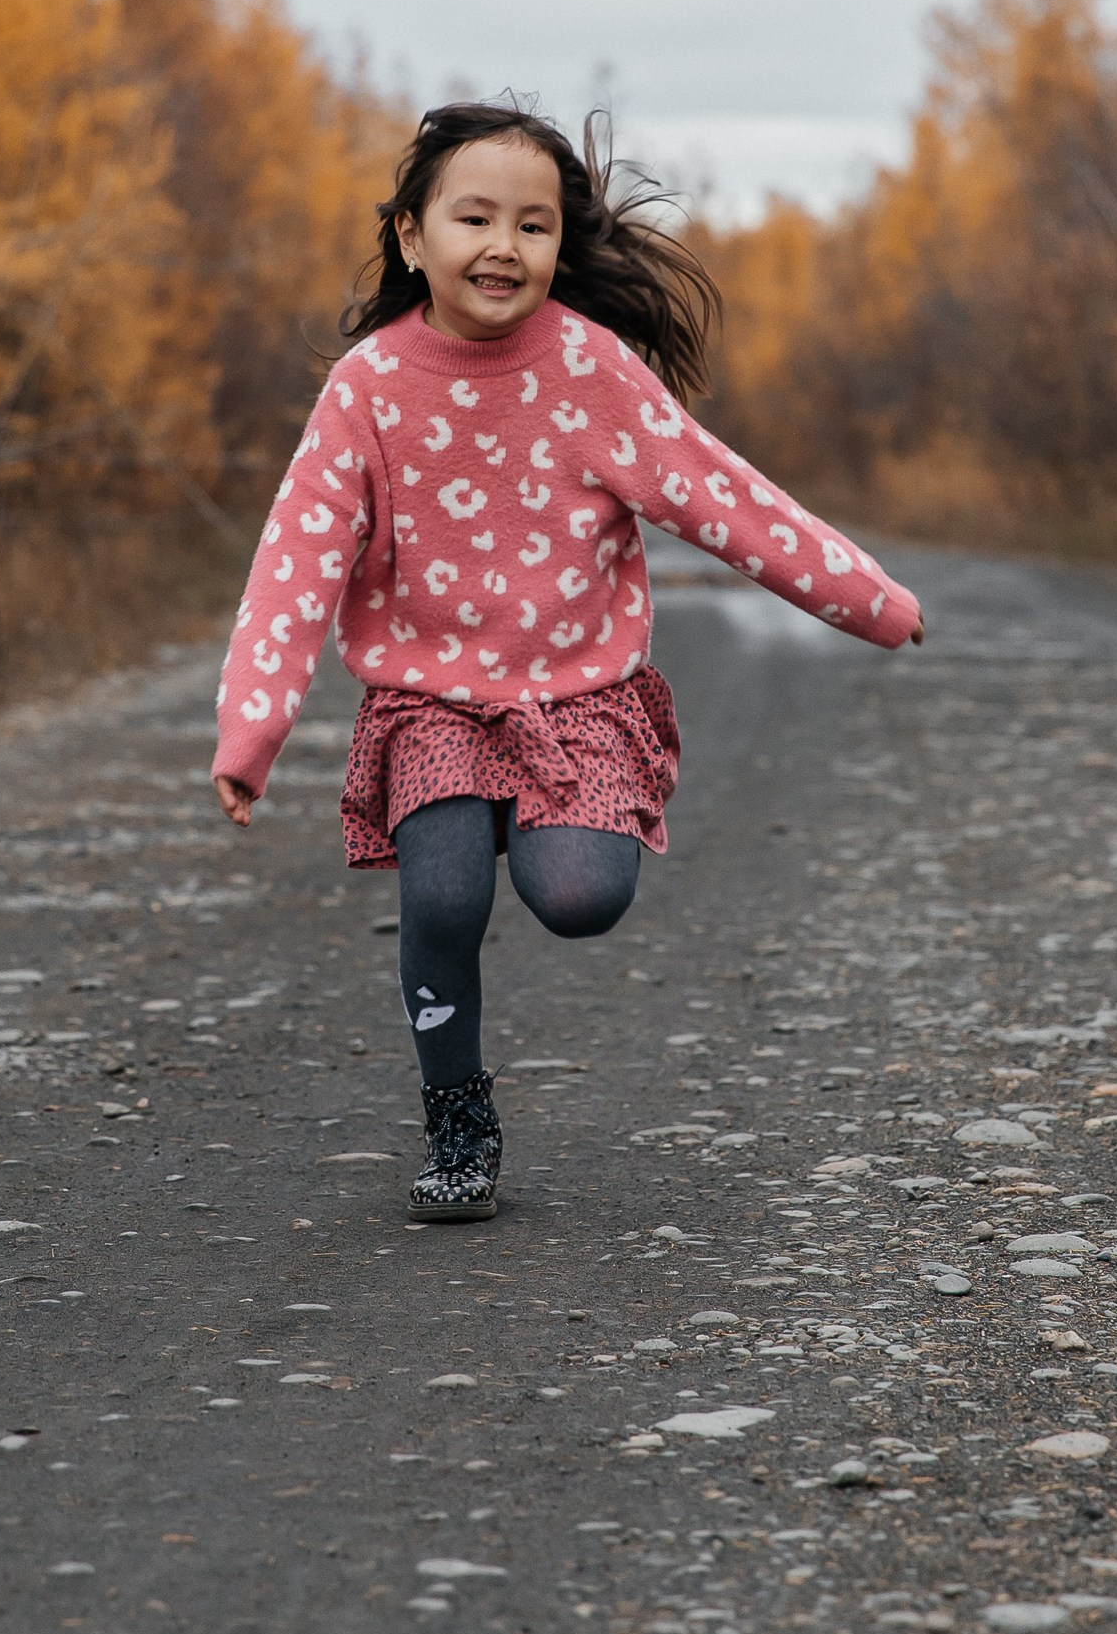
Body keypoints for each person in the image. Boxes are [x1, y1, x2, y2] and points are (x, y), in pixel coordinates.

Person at [210, 101, 925, 1220]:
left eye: (533, 224)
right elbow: (294, 559)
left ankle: (523, 818)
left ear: (558, 245)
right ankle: (457, 1119)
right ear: (410, 234)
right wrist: (250, 731)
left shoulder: (590, 368)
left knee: (581, 892)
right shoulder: (367, 386)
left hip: (578, 696)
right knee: (440, 895)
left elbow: (721, 495)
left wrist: (869, 598)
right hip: (430, 699)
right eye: (474, 216)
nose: (504, 244)